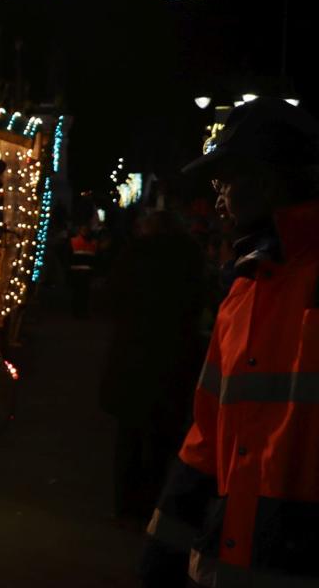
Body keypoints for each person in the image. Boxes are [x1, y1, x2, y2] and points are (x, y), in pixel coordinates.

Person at [141, 98, 319, 587]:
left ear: (268, 178)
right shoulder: (244, 288)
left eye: (226, 179)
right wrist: (164, 550)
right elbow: (207, 435)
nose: (217, 196)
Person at [100, 208, 207, 525]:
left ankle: (126, 505)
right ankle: (153, 505)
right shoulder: (189, 258)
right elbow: (195, 303)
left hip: (134, 356)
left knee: (130, 436)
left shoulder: (135, 255)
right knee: (163, 438)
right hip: (173, 356)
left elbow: (113, 299)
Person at [69, 222, 98, 317]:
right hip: (81, 271)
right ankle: (80, 311)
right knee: (81, 293)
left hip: (81, 271)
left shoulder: (74, 241)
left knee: (81, 293)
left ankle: (79, 311)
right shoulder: (91, 242)